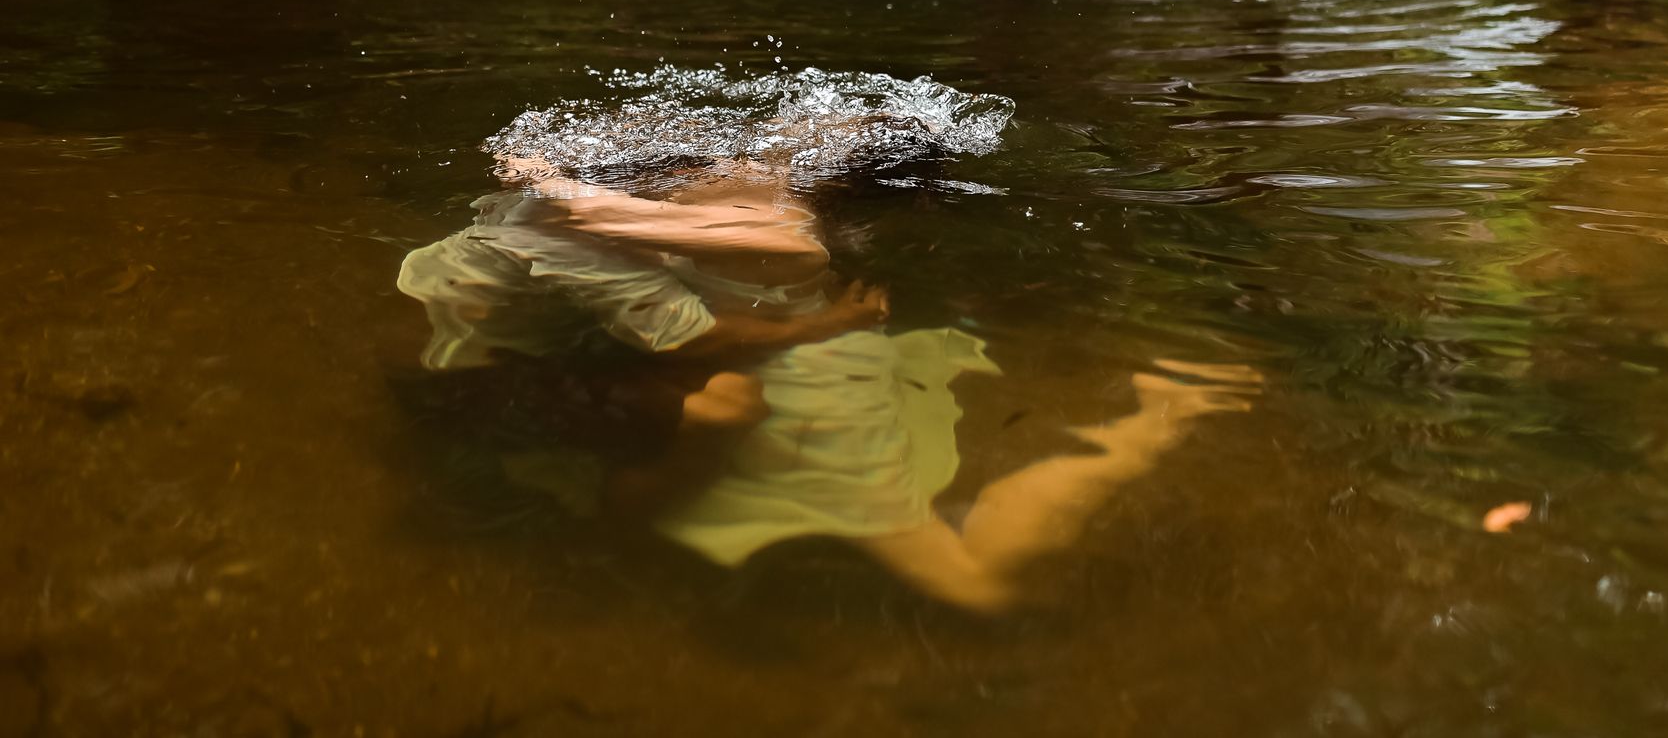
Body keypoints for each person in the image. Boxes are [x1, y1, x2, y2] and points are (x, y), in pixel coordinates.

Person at [396, 138, 1256, 614]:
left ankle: (1154, 417)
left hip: (812, 379)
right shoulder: (750, 194)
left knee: (970, 579)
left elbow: (586, 213)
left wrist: (537, 167)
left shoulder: (775, 229)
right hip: (793, 358)